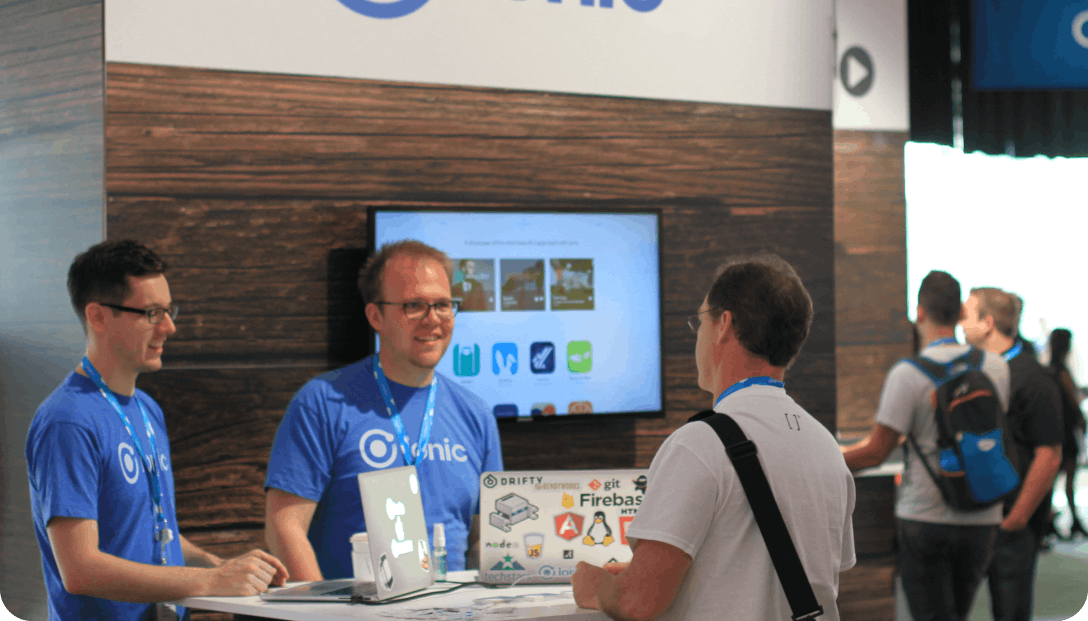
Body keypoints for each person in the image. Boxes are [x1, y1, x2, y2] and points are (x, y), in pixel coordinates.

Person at [572, 253, 855, 620]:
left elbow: (636, 603)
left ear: (724, 324)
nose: (698, 337)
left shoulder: (699, 445)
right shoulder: (826, 447)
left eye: (700, 321)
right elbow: (808, 576)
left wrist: (593, 585)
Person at [26, 240, 289, 621]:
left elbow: (149, 532)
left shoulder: (147, 411)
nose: (169, 327)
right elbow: (80, 569)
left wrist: (220, 565)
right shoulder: (67, 420)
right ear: (98, 317)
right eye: (151, 313)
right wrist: (209, 582)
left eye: (168, 311)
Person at [264, 240, 504, 580]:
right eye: (414, 306)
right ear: (375, 315)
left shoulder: (476, 414)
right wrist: (317, 613)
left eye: (443, 305)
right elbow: (284, 526)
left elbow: (483, 538)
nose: (432, 319)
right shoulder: (323, 402)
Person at [843, 270, 1010, 621]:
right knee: (959, 613)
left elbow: (877, 450)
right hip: (983, 516)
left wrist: (826, 461)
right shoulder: (996, 368)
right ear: (960, 314)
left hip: (925, 516)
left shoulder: (908, 374)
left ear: (919, 312)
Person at [961, 288, 1062, 621]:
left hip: (1011, 526)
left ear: (987, 323)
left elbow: (1049, 455)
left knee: (1010, 613)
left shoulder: (1033, 377)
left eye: (967, 315)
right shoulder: (973, 373)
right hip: (976, 520)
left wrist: (1015, 520)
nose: (961, 324)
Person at [1047, 328, 1086, 539]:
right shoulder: (1060, 370)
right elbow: (1073, 399)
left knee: (1055, 479)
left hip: (1057, 430)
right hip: (1066, 432)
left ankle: (1053, 518)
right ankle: (1071, 521)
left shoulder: (1050, 370)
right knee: (1066, 479)